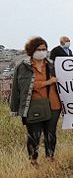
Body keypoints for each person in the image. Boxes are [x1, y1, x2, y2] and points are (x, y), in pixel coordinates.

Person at [10, 37, 61, 165]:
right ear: (32, 50)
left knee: (51, 134)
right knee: (34, 135)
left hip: (53, 104)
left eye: (44, 49)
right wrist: (48, 82)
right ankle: (33, 160)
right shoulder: (22, 67)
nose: (42, 52)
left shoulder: (52, 65)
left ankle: (50, 157)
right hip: (32, 105)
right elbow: (19, 87)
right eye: (39, 49)